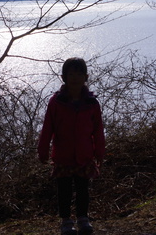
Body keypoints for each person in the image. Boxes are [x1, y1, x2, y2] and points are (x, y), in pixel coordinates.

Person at [38, 57, 105, 235]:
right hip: (62, 155)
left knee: (83, 189)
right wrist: (42, 149)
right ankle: (66, 220)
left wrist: (99, 151)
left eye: (79, 74)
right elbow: (47, 127)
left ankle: (83, 218)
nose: (75, 78)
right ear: (64, 77)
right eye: (71, 74)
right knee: (64, 190)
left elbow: (98, 130)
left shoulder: (92, 103)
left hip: (84, 154)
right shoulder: (56, 102)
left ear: (86, 76)